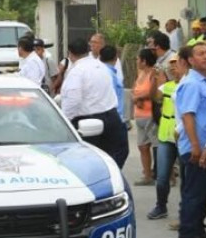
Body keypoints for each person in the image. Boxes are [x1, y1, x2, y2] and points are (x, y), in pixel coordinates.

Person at [176, 42, 206, 238]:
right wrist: (195, 146)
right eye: (200, 54)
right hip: (195, 148)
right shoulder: (192, 84)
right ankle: (187, 235)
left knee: (202, 192)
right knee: (193, 192)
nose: (205, 56)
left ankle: (198, 230)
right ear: (190, 61)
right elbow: (188, 116)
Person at [59, 38, 129, 167]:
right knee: (115, 153)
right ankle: (111, 174)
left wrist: (66, 122)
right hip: (112, 118)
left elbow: (72, 100)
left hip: (88, 123)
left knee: (87, 160)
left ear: (70, 53)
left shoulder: (77, 72)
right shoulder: (101, 67)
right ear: (88, 50)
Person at [150, 50, 187, 220]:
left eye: (176, 64)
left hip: (183, 136)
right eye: (171, 65)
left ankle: (184, 211)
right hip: (166, 136)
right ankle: (161, 205)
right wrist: (154, 80)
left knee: (186, 178)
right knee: (162, 175)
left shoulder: (188, 85)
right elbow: (155, 98)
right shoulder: (167, 86)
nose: (173, 68)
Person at [133, 49, 160, 185]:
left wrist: (140, 97)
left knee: (156, 145)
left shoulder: (153, 74)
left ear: (144, 61)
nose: (137, 61)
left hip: (150, 114)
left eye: (138, 59)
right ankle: (147, 175)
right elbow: (135, 90)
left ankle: (163, 173)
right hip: (139, 115)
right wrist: (136, 98)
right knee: (142, 146)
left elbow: (154, 93)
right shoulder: (141, 73)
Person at [98, 45, 125, 116]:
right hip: (113, 116)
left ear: (100, 58)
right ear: (116, 57)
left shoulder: (98, 72)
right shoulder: (110, 75)